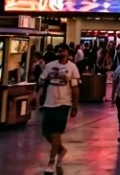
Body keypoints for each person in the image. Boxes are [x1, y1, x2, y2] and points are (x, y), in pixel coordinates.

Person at [37, 44, 80, 175]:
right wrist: (36, 96)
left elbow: (75, 88)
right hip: (49, 103)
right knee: (46, 133)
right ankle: (61, 149)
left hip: (63, 104)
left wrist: (74, 105)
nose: (61, 52)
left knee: (56, 134)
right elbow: (41, 82)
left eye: (63, 50)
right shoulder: (49, 66)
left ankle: (51, 162)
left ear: (68, 52)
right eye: (59, 50)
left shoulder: (72, 67)